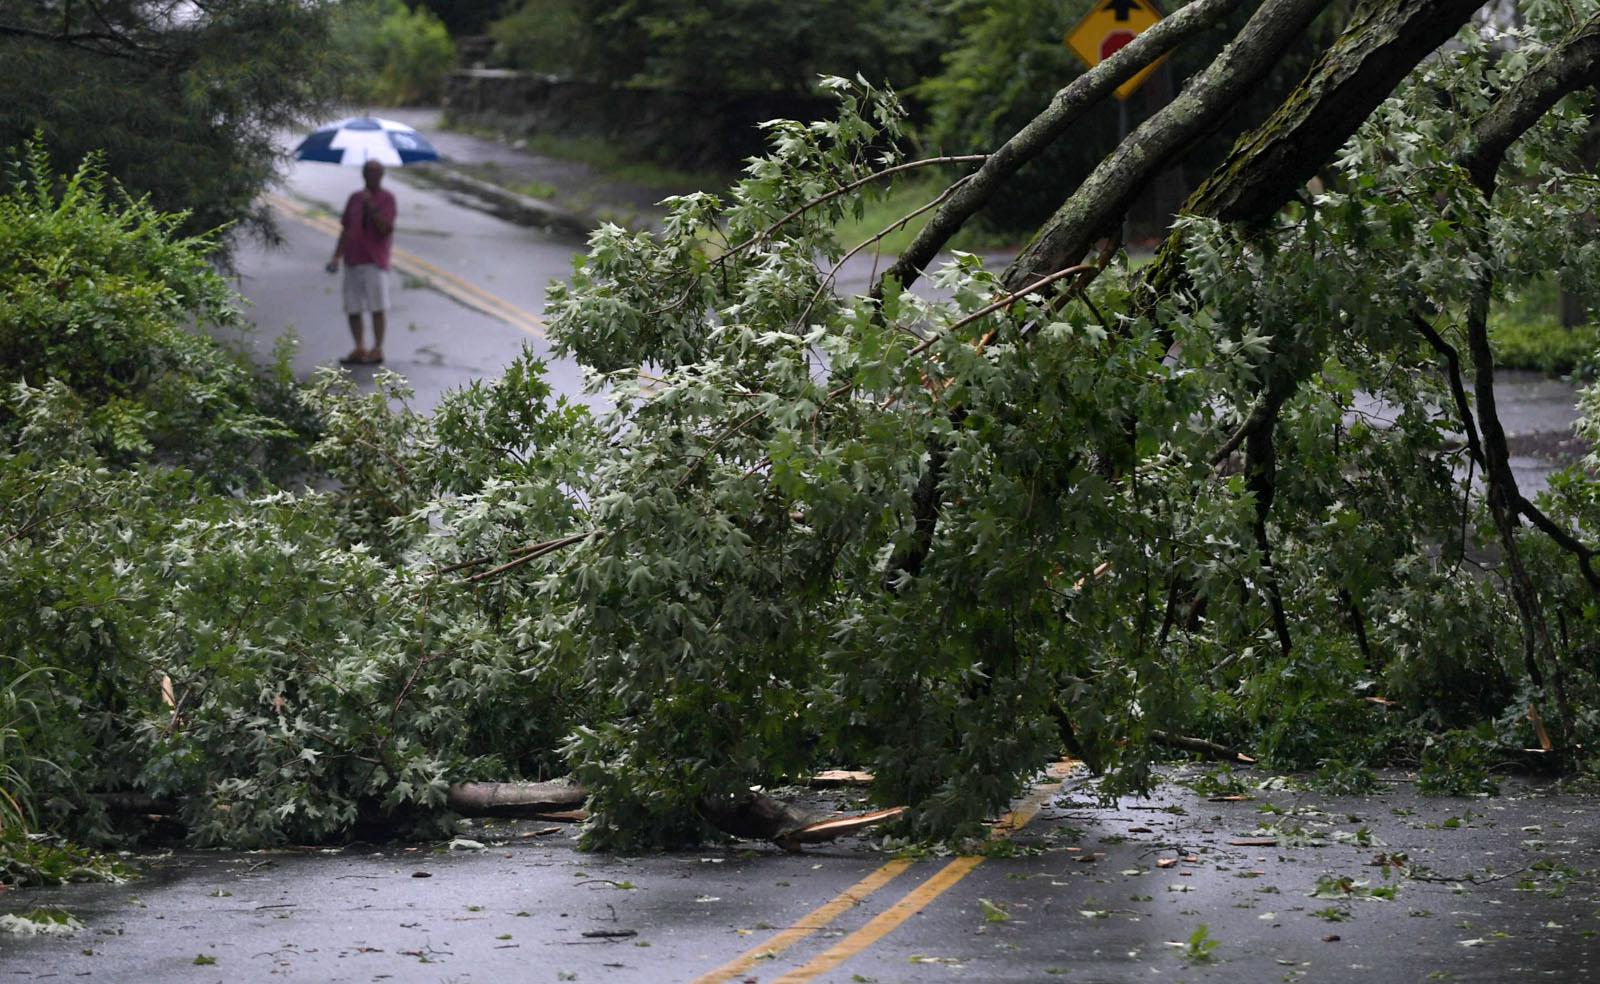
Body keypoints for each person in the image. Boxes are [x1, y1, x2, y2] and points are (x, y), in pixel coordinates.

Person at [325, 158, 397, 365]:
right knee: (353, 307)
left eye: (377, 172)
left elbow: (385, 229)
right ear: (363, 174)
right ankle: (359, 346)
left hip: (374, 261)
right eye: (369, 172)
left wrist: (372, 208)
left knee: (377, 306)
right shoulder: (354, 198)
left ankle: (377, 348)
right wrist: (336, 256)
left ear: (382, 175)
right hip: (352, 259)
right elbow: (346, 229)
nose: (373, 176)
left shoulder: (387, 199)